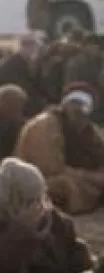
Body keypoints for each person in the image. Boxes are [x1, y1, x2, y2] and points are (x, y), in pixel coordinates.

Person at [14, 84, 104, 215]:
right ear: (65, 104)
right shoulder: (45, 125)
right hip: (44, 178)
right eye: (74, 103)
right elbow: (50, 167)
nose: (78, 109)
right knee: (65, 186)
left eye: (83, 105)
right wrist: (88, 176)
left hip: (82, 177)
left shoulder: (88, 130)